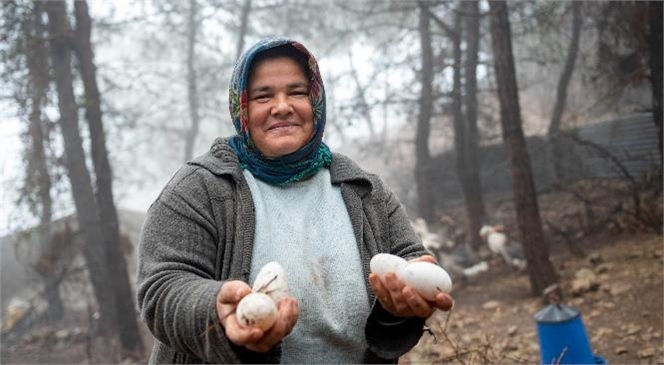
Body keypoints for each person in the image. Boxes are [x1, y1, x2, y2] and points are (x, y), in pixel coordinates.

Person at [136, 37, 454, 364]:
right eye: (263, 96)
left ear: (315, 99)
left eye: (297, 92)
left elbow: (409, 260)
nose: (282, 106)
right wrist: (216, 308)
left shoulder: (363, 189)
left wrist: (405, 298)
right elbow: (161, 288)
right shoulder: (200, 188)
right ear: (241, 107)